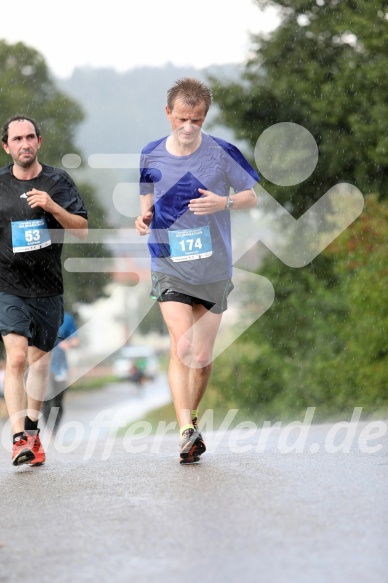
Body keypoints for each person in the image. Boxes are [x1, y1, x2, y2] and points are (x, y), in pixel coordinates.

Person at [135, 78, 259, 464]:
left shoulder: (223, 153)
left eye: (198, 120)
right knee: (183, 344)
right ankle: (186, 430)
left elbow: (252, 196)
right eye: (183, 119)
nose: (189, 128)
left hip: (213, 268)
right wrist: (143, 219)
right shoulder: (151, 154)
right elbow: (146, 201)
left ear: (205, 117)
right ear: (169, 113)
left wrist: (223, 202)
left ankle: (192, 419)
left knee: (202, 357)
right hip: (169, 264)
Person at [0, 115, 88, 467]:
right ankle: (19, 435)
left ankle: (32, 431)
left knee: (40, 363)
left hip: (48, 288)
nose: (24, 144)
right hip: (8, 286)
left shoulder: (58, 181)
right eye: (17, 139)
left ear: (39, 142)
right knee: (17, 359)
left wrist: (52, 206)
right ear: (6, 147)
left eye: (30, 137)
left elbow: (81, 229)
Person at [41, 311, 79, 434]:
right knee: (45, 399)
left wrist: (68, 343)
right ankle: (47, 427)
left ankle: (54, 429)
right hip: (44, 367)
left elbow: (75, 340)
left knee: (58, 400)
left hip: (60, 367)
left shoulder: (67, 318)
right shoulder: (39, 314)